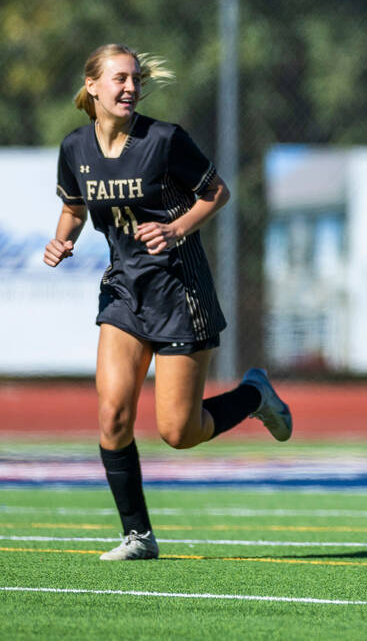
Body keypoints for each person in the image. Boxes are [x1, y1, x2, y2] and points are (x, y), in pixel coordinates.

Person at [44, 44, 291, 561]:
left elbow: (216, 192)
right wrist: (62, 238)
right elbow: (73, 205)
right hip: (124, 292)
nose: (130, 87)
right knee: (113, 414)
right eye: (118, 79)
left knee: (179, 432)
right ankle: (138, 535)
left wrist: (176, 228)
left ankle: (253, 395)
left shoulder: (164, 139)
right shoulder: (75, 148)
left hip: (181, 293)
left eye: (135, 78)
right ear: (93, 86)